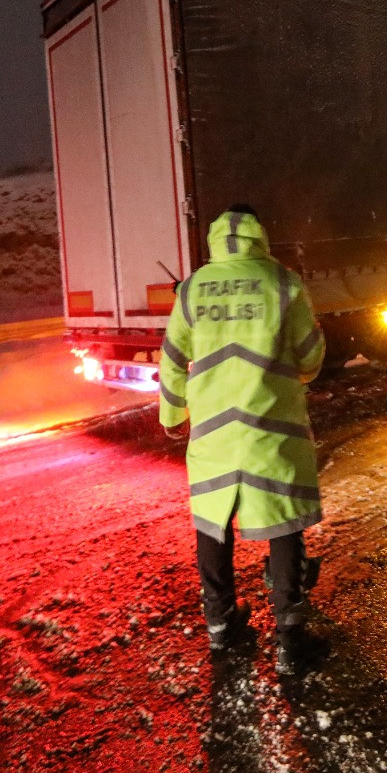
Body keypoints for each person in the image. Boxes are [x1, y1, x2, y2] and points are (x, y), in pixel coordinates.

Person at [159, 205, 329, 674]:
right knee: (284, 521)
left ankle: (221, 625)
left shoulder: (192, 288)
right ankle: (291, 641)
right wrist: (298, 373)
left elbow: (172, 356)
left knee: (213, 524)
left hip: (214, 431)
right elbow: (310, 355)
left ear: (214, 239)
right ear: (261, 236)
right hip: (270, 428)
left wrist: (173, 412)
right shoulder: (283, 283)